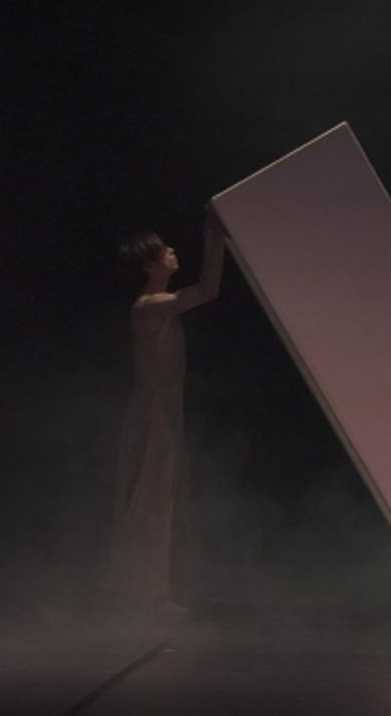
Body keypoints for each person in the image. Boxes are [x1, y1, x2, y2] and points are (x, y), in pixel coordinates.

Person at [110, 208, 226, 616]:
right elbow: (208, 290)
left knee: (165, 502)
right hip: (152, 415)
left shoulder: (158, 306)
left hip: (164, 416)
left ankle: (155, 592)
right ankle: (144, 596)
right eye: (164, 251)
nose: (172, 251)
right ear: (148, 265)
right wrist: (215, 238)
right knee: (151, 504)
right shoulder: (149, 306)